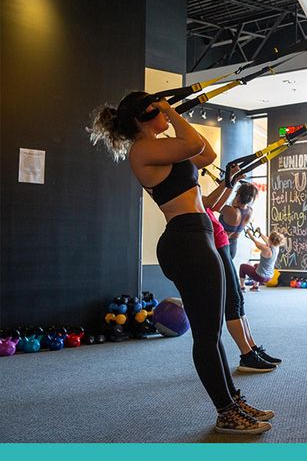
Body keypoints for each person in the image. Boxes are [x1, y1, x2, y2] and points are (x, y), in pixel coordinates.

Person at [88, 91, 272, 434]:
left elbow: (206, 152)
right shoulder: (143, 150)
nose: (165, 116)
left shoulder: (162, 148)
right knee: (205, 335)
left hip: (199, 237)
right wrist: (171, 110)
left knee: (212, 331)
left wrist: (168, 113)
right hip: (185, 241)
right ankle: (225, 413)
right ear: (146, 115)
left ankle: (232, 401)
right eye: (156, 111)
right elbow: (190, 144)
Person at [203, 168, 282, 373]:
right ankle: (248, 353)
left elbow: (217, 205)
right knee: (234, 298)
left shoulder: (230, 210)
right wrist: (229, 181)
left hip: (224, 245)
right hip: (224, 247)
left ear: (238, 194)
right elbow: (212, 203)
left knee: (237, 297)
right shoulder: (247, 212)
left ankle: (252, 348)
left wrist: (230, 182)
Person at [219, 183, 258, 259]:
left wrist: (227, 187)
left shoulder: (232, 211)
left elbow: (214, 205)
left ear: (238, 195)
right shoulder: (250, 211)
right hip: (232, 248)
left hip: (221, 247)